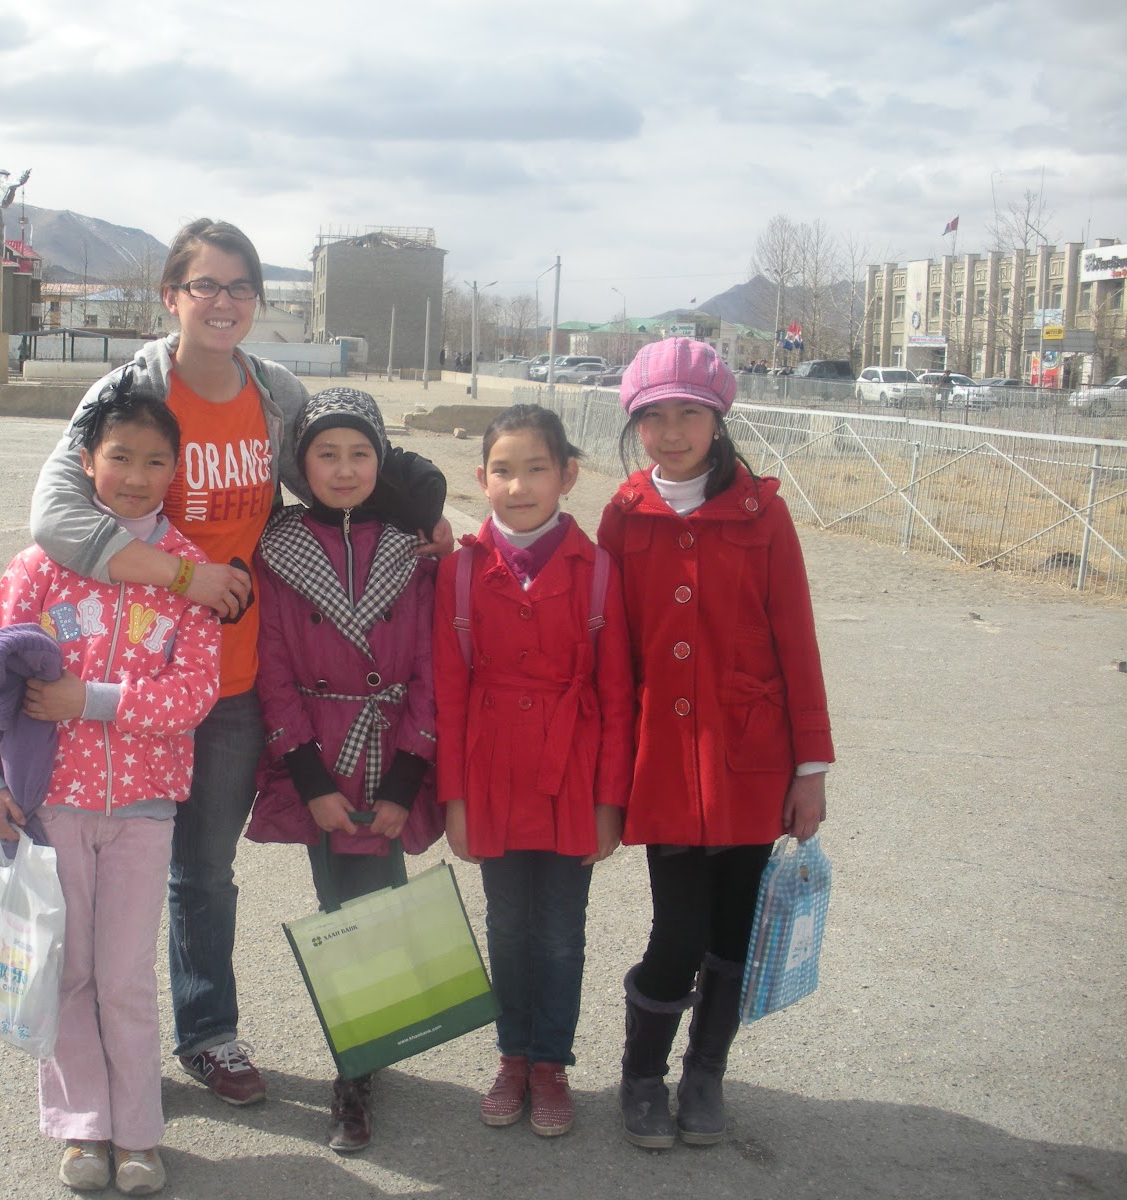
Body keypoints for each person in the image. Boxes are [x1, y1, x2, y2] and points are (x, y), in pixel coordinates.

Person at [28, 218, 451, 1108]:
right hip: (133, 681)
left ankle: (226, 1035)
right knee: (118, 867)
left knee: (205, 871)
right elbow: (56, 515)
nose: (223, 302)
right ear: (171, 297)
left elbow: (342, 454)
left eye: (240, 287)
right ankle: (127, 1040)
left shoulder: (275, 392)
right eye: (205, 285)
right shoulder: (130, 390)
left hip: (234, 680)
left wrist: (423, 514)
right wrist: (186, 575)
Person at [0, 385, 222, 1196]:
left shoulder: (192, 576)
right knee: (66, 971)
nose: (136, 477)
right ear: (85, 461)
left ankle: (137, 1133)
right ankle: (81, 1127)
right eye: (119, 457)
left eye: (155, 461)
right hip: (52, 807)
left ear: (175, 470)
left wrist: (87, 701)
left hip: (143, 813)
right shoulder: (40, 566)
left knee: (126, 978)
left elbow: (192, 698)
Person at [596, 337, 833, 1150]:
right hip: (664, 763)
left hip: (752, 763)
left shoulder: (763, 514)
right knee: (678, 932)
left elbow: (796, 640)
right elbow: (609, 651)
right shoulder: (625, 516)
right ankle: (640, 1075)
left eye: (688, 415)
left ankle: (706, 1074)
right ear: (634, 424)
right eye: (653, 416)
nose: (671, 432)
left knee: (735, 932)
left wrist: (810, 770)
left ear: (718, 419)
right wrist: (606, 772)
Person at [244, 387, 446, 1153]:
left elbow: (431, 665)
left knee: (380, 902)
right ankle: (356, 1064)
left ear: (381, 462)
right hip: (321, 754)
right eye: (326, 453)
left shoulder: (412, 550)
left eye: (361, 452)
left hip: (392, 748)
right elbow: (271, 671)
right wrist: (310, 780)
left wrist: (406, 780)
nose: (344, 468)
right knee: (341, 909)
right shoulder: (277, 550)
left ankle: (363, 1059)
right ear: (302, 464)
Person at [433, 404, 635, 1138]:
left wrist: (609, 804)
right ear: (481, 478)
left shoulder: (598, 571)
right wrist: (454, 800)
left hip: (570, 777)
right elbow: (448, 693)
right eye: (504, 470)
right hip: (491, 774)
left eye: (537, 469)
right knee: (507, 923)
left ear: (568, 475)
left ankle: (551, 1063)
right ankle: (511, 1057)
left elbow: (617, 696)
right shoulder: (459, 572)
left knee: (560, 930)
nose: (519, 486)